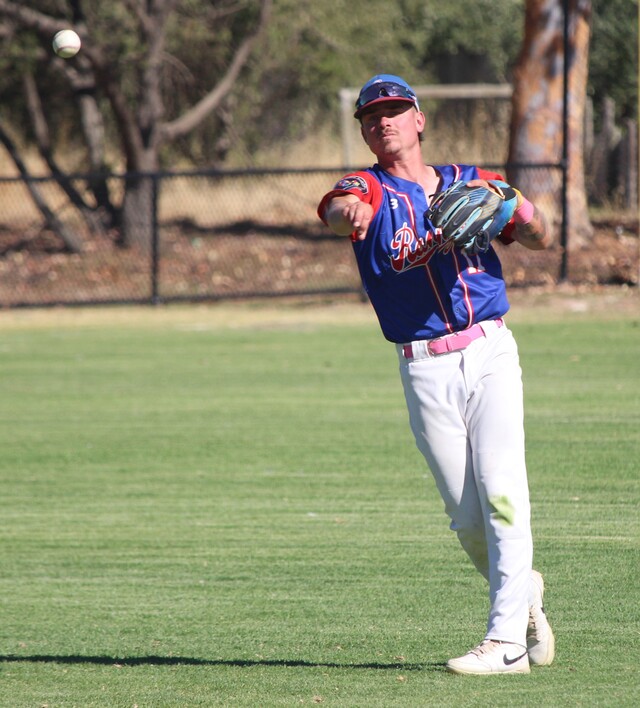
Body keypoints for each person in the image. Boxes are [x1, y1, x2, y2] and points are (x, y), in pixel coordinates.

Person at [317, 74, 555, 675]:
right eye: (373, 115)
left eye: (396, 110)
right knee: (468, 521)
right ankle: (523, 591)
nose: (385, 121)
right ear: (364, 131)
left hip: (489, 350)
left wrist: (514, 203)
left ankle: (505, 645)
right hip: (423, 367)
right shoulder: (368, 187)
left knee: (502, 493)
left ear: (419, 119)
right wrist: (349, 212)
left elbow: (539, 235)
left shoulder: (467, 182)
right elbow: (338, 208)